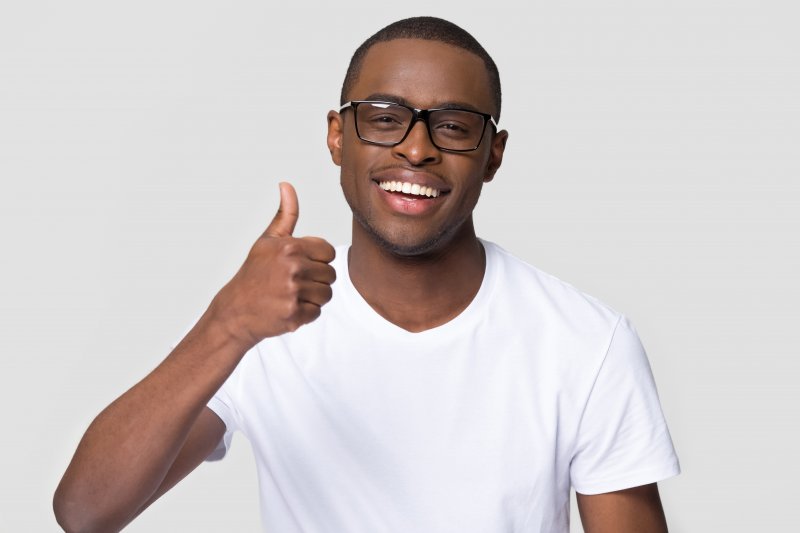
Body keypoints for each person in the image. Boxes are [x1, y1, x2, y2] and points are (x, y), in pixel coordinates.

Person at [53, 16, 679, 533]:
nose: (415, 147)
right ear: (337, 135)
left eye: (454, 127)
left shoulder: (586, 343)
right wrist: (227, 324)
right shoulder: (263, 326)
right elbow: (85, 513)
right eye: (384, 116)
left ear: (493, 154)